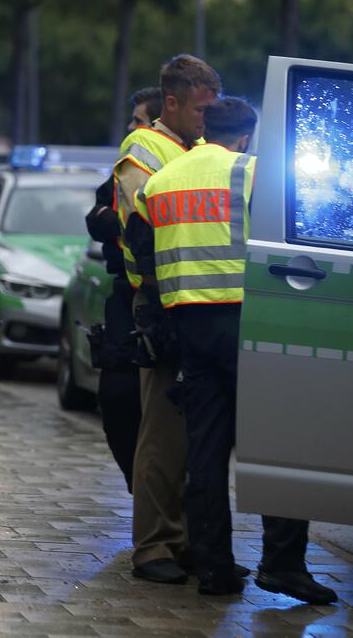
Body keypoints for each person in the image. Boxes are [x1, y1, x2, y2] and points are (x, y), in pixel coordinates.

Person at [131, 98, 338, 604]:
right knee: (279, 443)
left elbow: (139, 247)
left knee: (205, 451)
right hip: (249, 322)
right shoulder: (252, 173)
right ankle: (282, 565)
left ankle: (214, 569)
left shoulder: (162, 180)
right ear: (245, 136)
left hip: (189, 327)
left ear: (207, 127)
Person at [117, 54, 221, 585]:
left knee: (194, 433)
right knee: (162, 432)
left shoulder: (198, 149)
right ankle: (154, 544)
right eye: (200, 109)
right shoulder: (143, 148)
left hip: (200, 302)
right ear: (172, 103)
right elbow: (142, 229)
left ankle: (187, 542)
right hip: (161, 301)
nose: (207, 119)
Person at [85, 86, 162, 492]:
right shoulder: (125, 170)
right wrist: (115, 220)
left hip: (163, 299)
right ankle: (140, 486)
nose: (131, 128)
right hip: (124, 295)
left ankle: (161, 495)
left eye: (138, 120)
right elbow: (97, 217)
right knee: (115, 398)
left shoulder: (172, 170)